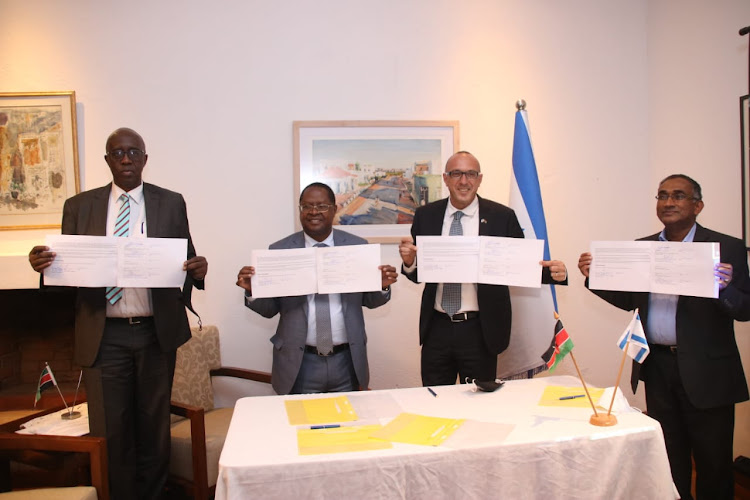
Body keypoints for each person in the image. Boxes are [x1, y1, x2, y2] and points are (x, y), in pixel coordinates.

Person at [28, 127, 208, 500]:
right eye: (117, 153)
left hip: (155, 332)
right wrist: (44, 267)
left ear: (144, 158)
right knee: (111, 430)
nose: (126, 159)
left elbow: (186, 259)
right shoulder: (80, 206)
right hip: (104, 334)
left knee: (153, 425)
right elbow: (66, 275)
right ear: (108, 160)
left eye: (133, 152)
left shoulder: (170, 202)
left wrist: (198, 270)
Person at [577, 174, 750, 499]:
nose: (669, 202)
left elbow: (745, 308)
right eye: (662, 195)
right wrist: (595, 276)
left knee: (713, 466)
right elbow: (631, 301)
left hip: (708, 373)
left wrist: (723, 289)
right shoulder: (643, 248)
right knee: (668, 462)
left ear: (697, 205)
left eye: (679, 195)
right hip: (658, 369)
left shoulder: (726, 247)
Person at [398, 151, 568, 386]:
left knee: (479, 404)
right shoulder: (426, 215)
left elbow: (518, 263)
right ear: (446, 178)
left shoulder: (501, 217)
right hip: (436, 329)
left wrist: (555, 273)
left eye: (470, 174)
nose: (464, 181)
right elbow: (420, 272)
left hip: (480, 330)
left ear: (479, 179)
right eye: (456, 174)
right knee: (434, 401)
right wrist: (409, 262)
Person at [237, 182, 398, 394]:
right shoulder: (280, 250)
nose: (314, 212)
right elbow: (269, 310)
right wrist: (252, 291)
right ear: (300, 210)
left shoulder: (357, 246)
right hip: (299, 362)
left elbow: (369, 300)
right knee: (300, 425)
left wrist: (382, 287)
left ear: (334, 209)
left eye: (321, 206)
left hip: (346, 361)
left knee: (348, 424)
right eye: (307, 206)